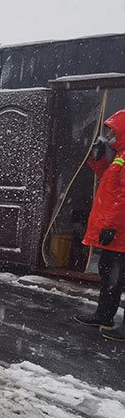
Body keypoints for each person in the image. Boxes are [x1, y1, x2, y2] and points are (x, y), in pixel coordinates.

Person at [74, 109, 125, 341]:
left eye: (113, 131)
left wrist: (111, 225)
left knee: (118, 276)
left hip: (120, 231)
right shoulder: (120, 155)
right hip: (115, 231)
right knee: (109, 274)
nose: (110, 135)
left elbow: (123, 197)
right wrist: (98, 159)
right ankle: (104, 315)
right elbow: (108, 180)